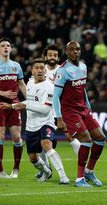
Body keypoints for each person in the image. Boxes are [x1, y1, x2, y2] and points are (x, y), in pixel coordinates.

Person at [0, 58, 69, 184]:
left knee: (46, 144)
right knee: (33, 158)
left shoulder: (50, 87)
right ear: (32, 71)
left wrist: (25, 106)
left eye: (42, 68)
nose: (40, 70)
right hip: (31, 126)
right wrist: (12, 106)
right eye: (37, 68)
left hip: (46, 122)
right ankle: (47, 171)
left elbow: (45, 110)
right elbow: (29, 102)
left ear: (45, 70)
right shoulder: (30, 83)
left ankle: (63, 176)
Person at [53, 41, 106, 188]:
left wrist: (88, 106)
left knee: (100, 138)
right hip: (70, 111)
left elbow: (82, 89)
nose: (75, 52)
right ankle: (79, 179)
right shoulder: (63, 70)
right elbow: (56, 96)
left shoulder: (83, 67)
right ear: (67, 51)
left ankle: (89, 171)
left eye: (77, 49)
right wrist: (59, 118)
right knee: (86, 139)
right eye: (72, 49)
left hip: (83, 109)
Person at [34, 45, 81, 179]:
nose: (52, 57)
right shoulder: (41, 71)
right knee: (41, 142)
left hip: (61, 110)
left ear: (58, 57)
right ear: (45, 57)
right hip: (44, 112)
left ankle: (83, 169)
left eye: (55, 55)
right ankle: (46, 169)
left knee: (70, 137)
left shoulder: (64, 70)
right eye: (50, 55)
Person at [0, 37, 27, 178]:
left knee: (16, 136)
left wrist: (30, 100)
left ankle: (16, 169)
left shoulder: (16, 65)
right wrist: (4, 93)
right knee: (0, 135)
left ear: (11, 48)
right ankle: (0, 171)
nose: (5, 48)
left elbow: (21, 84)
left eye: (8, 45)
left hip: (14, 104)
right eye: (3, 45)